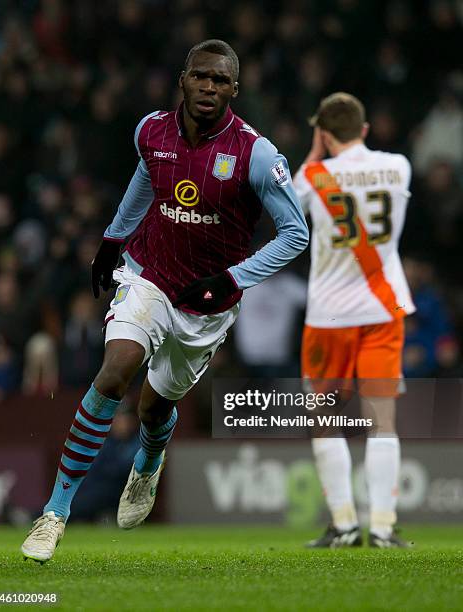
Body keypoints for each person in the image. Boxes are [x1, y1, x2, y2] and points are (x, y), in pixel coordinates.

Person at [21, 39, 309, 563]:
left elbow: (295, 234)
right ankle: (54, 513)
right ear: (184, 78)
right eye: (201, 76)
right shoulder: (150, 130)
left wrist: (231, 280)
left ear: (235, 90)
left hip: (205, 302)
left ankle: (148, 464)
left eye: (221, 81)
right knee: (117, 370)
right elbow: (145, 175)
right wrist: (113, 240)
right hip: (148, 275)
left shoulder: (256, 153)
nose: (208, 87)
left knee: (155, 407)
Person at [293, 92, 415, 548]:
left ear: (323, 134)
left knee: (325, 419)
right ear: (364, 129)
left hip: (327, 314)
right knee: (383, 419)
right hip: (383, 310)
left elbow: (291, 203)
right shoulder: (398, 166)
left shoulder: (313, 175)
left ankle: (344, 524)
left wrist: (314, 153)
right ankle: (383, 525)